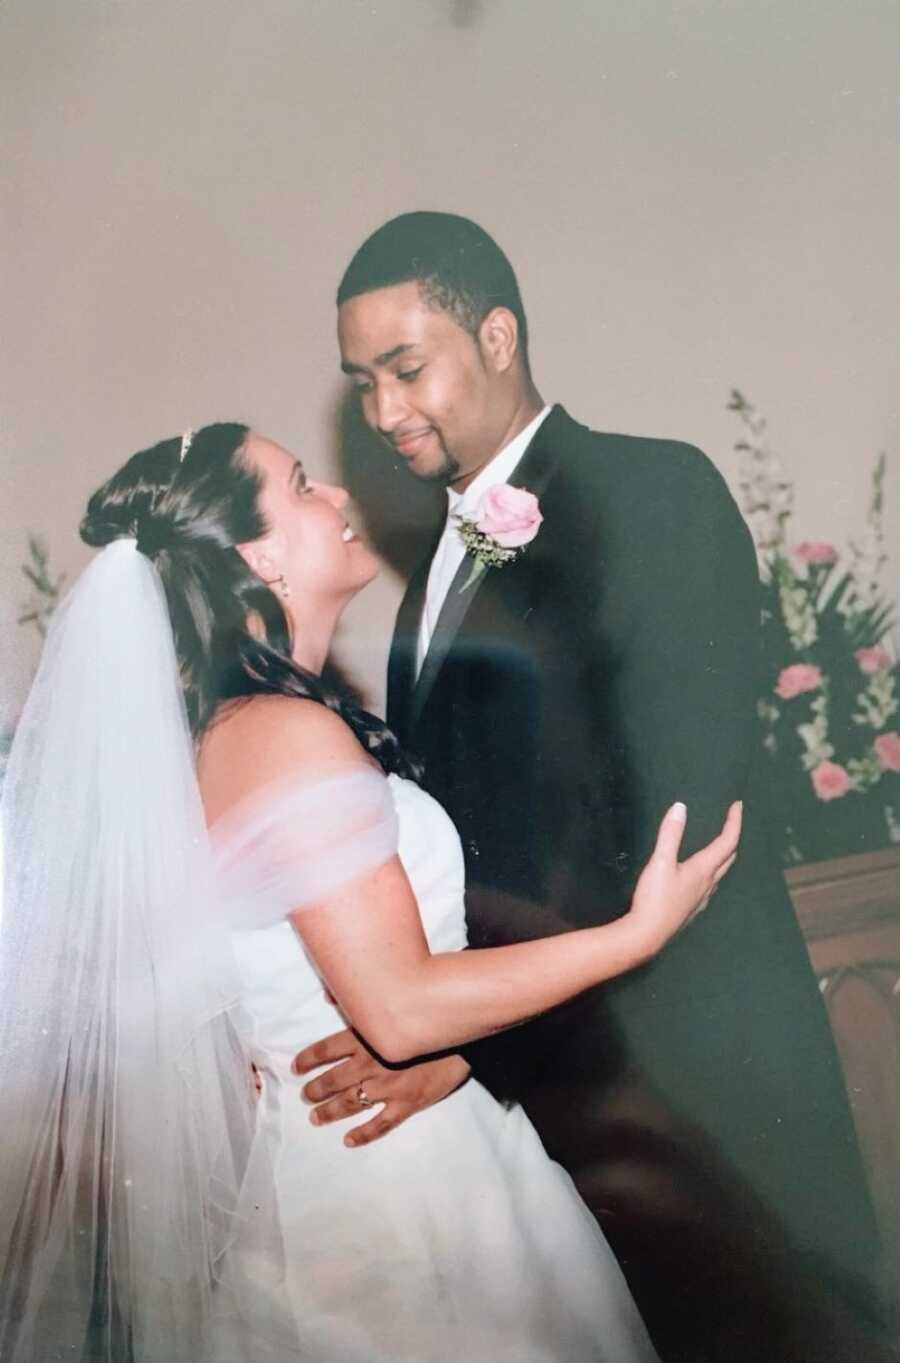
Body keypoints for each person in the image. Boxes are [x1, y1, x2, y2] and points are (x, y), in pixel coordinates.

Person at [0, 421, 740, 1363]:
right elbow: (395, 1010)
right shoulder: (282, 734)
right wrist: (636, 935)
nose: (341, 497)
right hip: (397, 1200)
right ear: (257, 554)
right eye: (305, 485)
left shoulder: (219, 736)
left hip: (342, 1167)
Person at [291, 211, 893, 1362]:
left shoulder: (653, 492)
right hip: (566, 1124)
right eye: (361, 381)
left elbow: (669, 815)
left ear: (500, 335)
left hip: (707, 1105)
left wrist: (463, 1043)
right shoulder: (429, 581)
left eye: (406, 368)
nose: (380, 413)